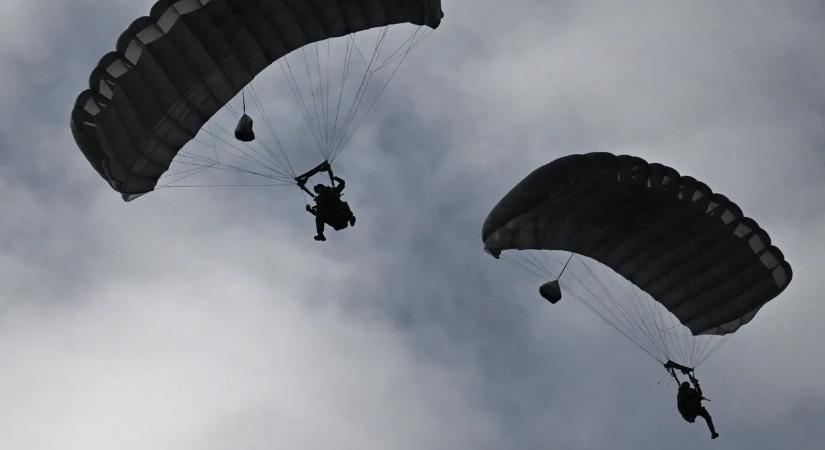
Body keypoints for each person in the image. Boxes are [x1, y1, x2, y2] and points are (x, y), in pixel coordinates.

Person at [665, 360, 719, 439]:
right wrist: (687, 417)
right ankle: (713, 433)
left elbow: (699, 393)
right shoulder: (681, 395)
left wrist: (695, 383)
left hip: (695, 408)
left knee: (708, 417)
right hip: (691, 410)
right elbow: (680, 408)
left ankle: (713, 433)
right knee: (707, 417)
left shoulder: (690, 392)